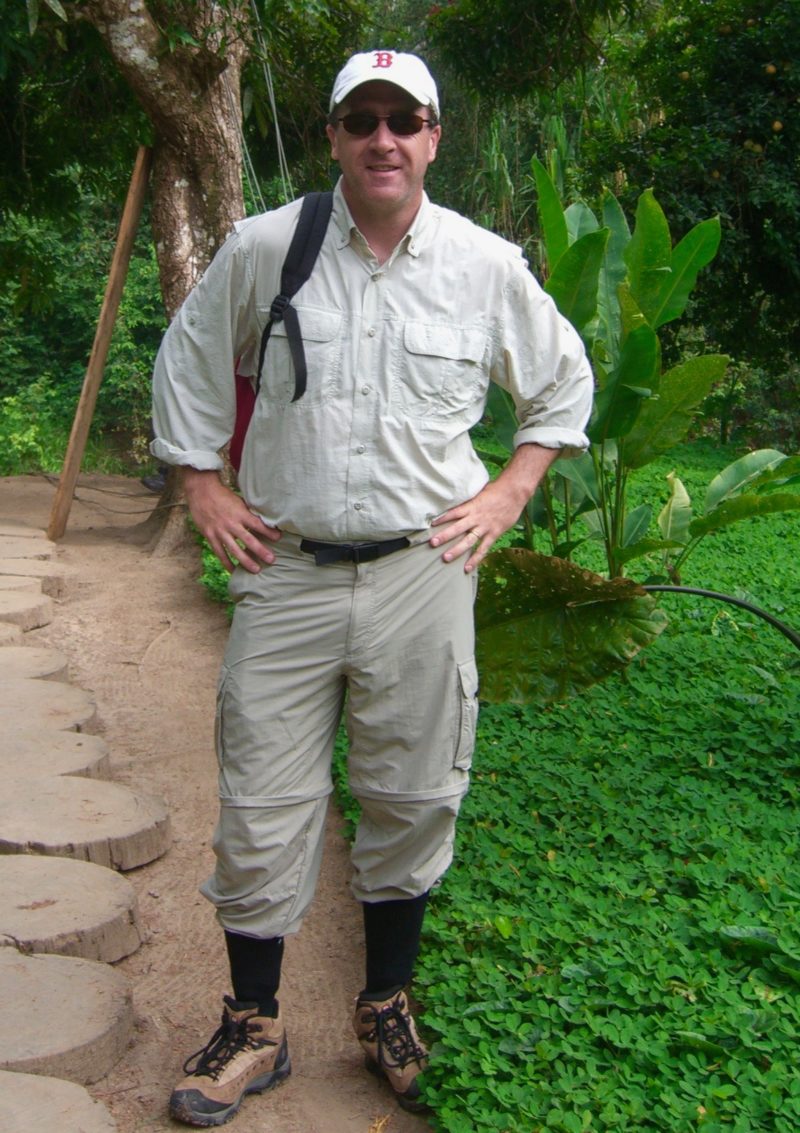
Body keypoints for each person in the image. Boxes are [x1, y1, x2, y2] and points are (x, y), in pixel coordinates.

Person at [151, 48, 593, 1128]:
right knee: (259, 799)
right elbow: (190, 363)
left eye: (405, 119)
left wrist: (506, 494)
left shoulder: (483, 264)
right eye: (363, 119)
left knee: (412, 791)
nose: (383, 138)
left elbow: (560, 384)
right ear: (336, 136)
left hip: (421, 572)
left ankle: (384, 999)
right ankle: (253, 1023)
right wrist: (203, 487)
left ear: (433, 136)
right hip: (289, 572)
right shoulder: (267, 248)